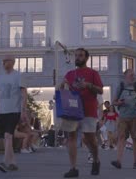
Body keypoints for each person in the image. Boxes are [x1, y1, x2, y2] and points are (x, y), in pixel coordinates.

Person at [59, 48, 103, 178]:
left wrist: (88, 85)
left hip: (89, 110)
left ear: (86, 58)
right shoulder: (69, 74)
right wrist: (62, 85)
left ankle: (96, 160)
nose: (77, 57)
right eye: (76, 55)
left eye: (81, 55)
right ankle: (73, 168)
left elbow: (100, 90)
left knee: (90, 139)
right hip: (72, 110)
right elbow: (62, 90)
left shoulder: (93, 73)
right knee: (71, 137)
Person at [0, 55, 28, 173]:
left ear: (13, 62)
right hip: (2, 111)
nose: (4, 62)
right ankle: (12, 162)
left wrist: (23, 110)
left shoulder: (18, 76)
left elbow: (24, 94)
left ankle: (4, 162)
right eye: (3, 61)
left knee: (8, 135)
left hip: (14, 110)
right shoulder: (0, 77)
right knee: (5, 138)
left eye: (7, 60)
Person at [110, 69, 136, 170]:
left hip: (135, 117)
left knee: (135, 138)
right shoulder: (120, 86)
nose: (132, 77)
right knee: (121, 137)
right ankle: (119, 161)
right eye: (130, 75)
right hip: (123, 117)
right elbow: (114, 102)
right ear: (125, 76)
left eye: (133, 75)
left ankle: (135, 162)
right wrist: (119, 103)